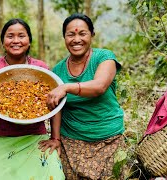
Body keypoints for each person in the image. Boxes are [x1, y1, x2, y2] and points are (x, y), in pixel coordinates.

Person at [0, 18, 65, 180]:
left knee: (54, 176)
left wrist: (55, 138)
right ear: (3, 41)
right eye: (10, 36)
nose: (16, 41)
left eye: (21, 36)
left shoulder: (41, 69)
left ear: (29, 41)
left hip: (35, 137)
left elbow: (55, 105)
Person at [41, 13, 125, 179]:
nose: (76, 39)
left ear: (92, 35)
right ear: (64, 37)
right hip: (71, 140)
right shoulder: (57, 70)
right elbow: (57, 107)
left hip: (108, 137)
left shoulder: (104, 57)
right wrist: (55, 138)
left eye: (82, 34)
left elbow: (99, 86)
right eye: (70, 34)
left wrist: (66, 87)